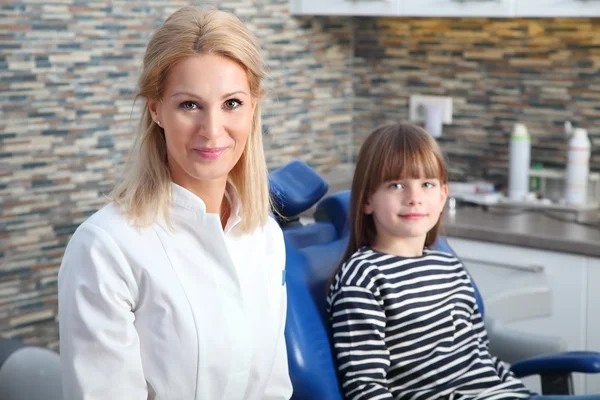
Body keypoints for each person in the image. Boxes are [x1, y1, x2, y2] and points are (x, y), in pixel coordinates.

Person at [58, 6, 292, 400]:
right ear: (156, 110)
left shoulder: (265, 235)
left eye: (231, 103)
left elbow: (272, 388)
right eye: (189, 105)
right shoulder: (105, 248)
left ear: (253, 107)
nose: (212, 130)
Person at [326, 123, 530, 399]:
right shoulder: (363, 279)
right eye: (396, 185)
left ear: (443, 195)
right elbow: (365, 389)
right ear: (367, 200)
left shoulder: (450, 266)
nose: (414, 198)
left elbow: (480, 356)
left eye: (427, 184)